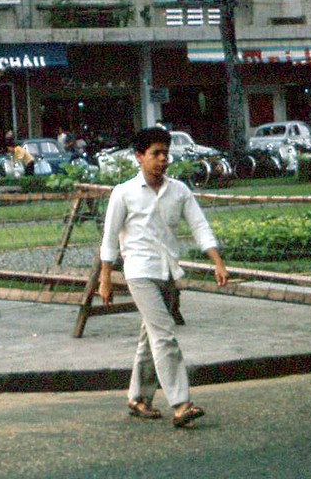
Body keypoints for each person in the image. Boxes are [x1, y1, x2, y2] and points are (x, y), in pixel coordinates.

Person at [98, 127, 228, 427]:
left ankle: (138, 397)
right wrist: (105, 278)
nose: (162, 159)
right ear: (139, 156)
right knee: (165, 335)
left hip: (167, 272)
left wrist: (217, 262)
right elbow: (108, 239)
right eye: (155, 153)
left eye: (165, 153)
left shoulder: (179, 190)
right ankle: (181, 404)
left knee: (151, 337)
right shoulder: (124, 193)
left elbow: (200, 227)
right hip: (139, 273)